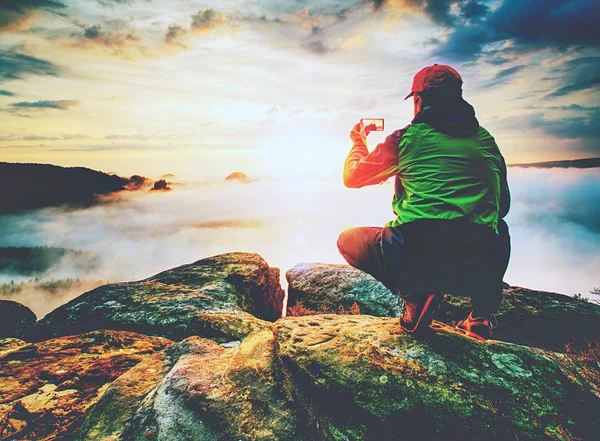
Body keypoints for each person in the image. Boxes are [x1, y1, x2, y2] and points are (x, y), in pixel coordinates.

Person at [337, 64, 511, 340]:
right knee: (498, 227)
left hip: (419, 256)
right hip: (478, 264)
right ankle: (480, 316)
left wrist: (358, 142)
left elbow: (353, 177)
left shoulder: (405, 138)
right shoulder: (486, 140)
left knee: (348, 240)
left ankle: (416, 301)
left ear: (418, 100)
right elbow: (502, 206)